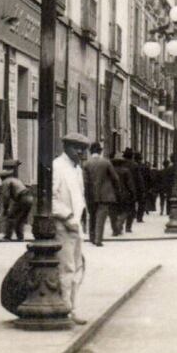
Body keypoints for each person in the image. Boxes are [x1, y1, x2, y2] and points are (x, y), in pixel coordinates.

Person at [52, 132, 90, 325]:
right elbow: (50, 197)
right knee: (66, 268)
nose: (81, 152)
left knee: (77, 267)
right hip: (63, 224)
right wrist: (66, 216)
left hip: (76, 224)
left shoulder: (77, 169)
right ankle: (65, 308)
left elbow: (79, 196)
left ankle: (72, 307)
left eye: (84, 149)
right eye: (77, 148)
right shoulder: (57, 167)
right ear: (66, 147)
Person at [82, 142, 120, 247]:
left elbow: (84, 182)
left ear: (90, 151)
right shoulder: (106, 163)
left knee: (92, 216)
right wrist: (116, 189)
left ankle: (92, 237)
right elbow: (115, 178)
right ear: (100, 151)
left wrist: (85, 194)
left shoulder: (86, 164)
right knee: (101, 217)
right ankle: (98, 239)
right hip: (105, 194)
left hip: (90, 195)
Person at [0, 160, 33, 241]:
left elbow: (6, 196)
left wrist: (5, 209)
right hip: (29, 197)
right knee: (21, 218)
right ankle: (20, 237)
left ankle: (8, 236)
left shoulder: (5, 182)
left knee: (11, 216)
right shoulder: (15, 180)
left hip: (22, 198)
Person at [110, 153, 136, 235]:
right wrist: (133, 193)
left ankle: (115, 229)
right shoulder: (126, 171)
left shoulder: (110, 171)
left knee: (114, 212)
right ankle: (119, 224)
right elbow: (130, 184)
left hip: (112, 193)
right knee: (125, 210)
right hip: (124, 194)